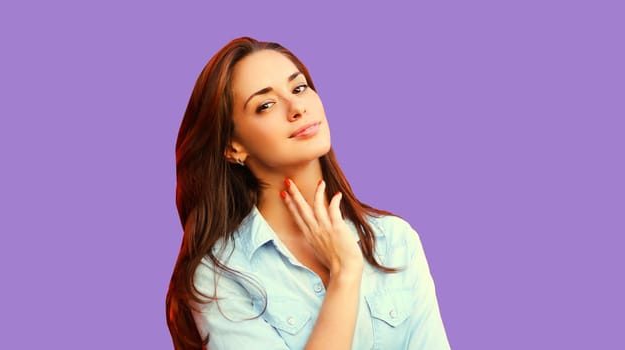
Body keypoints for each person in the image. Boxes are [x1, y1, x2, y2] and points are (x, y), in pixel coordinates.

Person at [166, 36, 451, 350]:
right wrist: (345, 273)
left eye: (299, 88)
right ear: (233, 147)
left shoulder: (395, 241)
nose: (296, 107)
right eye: (265, 105)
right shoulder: (221, 275)